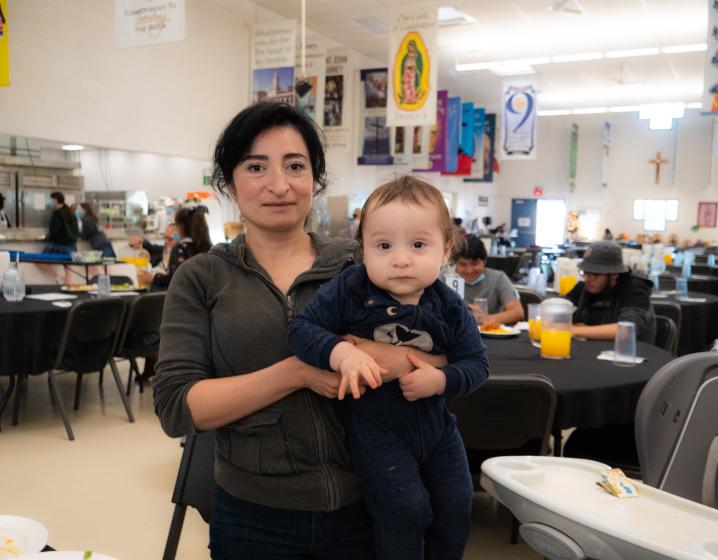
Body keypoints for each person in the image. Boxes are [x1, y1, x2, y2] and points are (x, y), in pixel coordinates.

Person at [154, 102, 437, 559]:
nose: (279, 184)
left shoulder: (361, 263)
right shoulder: (202, 277)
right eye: (256, 166)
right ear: (229, 182)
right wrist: (297, 372)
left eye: (295, 165)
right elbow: (179, 407)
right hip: (252, 514)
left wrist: (368, 358)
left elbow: (437, 348)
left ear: (315, 179)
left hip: (371, 499)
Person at [288, 176, 489, 560]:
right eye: (383, 245)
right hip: (375, 431)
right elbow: (300, 329)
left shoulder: (448, 306)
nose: (400, 259)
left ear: (446, 249)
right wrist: (341, 354)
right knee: (406, 510)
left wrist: (441, 380)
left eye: (418, 244)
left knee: (456, 504)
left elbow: (478, 365)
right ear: (362, 248)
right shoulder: (350, 289)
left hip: (438, 430)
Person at [564, 241, 656, 343]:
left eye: (595, 274)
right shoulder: (583, 287)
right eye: (585, 272)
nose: (587, 279)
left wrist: (577, 331)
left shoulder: (635, 290)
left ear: (614, 274)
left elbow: (629, 329)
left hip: (628, 354)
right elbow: (558, 309)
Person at [453, 234, 524, 325]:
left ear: (485, 261)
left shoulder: (498, 278)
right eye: (463, 264)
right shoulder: (445, 279)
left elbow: (517, 312)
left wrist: (486, 319)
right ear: (455, 264)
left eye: (474, 264)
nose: (469, 270)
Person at [137, 206, 211, 290]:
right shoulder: (205, 247)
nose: (166, 242)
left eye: (170, 239)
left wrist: (154, 278)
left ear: (181, 227)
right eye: (165, 238)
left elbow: (174, 280)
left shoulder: (180, 249)